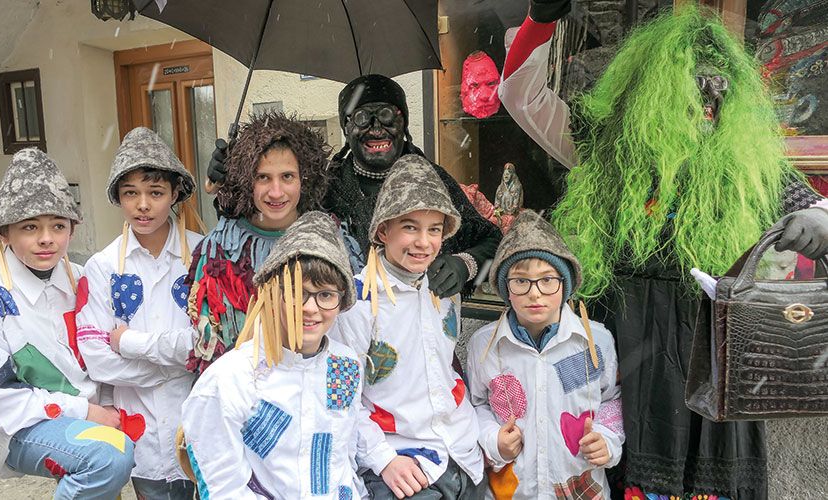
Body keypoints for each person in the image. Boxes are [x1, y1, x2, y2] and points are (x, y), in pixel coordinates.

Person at [499, 2, 828, 498]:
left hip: (713, 345)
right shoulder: (602, 147)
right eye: (696, 90)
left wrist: (819, 218)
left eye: (720, 90)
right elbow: (521, 96)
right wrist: (541, 20)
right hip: (626, 336)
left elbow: (814, 205)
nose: (709, 104)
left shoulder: (747, 163)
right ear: (657, 91)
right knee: (616, 449)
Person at [0, 148, 135, 499]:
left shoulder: (80, 279)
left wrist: (104, 405)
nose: (47, 238)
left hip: (87, 407)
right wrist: (87, 411)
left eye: (58, 226)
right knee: (108, 458)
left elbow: (100, 354)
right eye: (30, 227)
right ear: (4, 232)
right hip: (15, 423)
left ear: (72, 230)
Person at [208, 75, 502, 299]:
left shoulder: (432, 181)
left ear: (404, 123)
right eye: (361, 118)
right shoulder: (326, 185)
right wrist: (232, 178)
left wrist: (466, 265)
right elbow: (270, 220)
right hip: (346, 330)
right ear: (346, 129)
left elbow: (493, 241)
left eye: (387, 115)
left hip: (424, 325)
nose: (376, 128)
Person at [181, 211, 365, 499]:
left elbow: (344, 458)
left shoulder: (347, 365)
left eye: (326, 295)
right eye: (296, 292)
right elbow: (224, 488)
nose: (310, 308)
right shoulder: (229, 380)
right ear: (271, 293)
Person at [333, 154, 485, 500]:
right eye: (410, 227)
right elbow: (341, 398)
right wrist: (383, 459)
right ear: (383, 230)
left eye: (435, 230)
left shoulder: (444, 289)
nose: (424, 242)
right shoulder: (357, 302)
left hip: (464, 454)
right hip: (403, 462)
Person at [187, 111, 363, 374]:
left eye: (287, 176)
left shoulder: (331, 240)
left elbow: (353, 326)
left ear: (305, 179)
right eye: (263, 177)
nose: (276, 192)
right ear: (247, 180)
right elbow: (209, 340)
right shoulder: (221, 248)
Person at [77, 127, 201, 499]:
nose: (143, 205)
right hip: (141, 432)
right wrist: (177, 365)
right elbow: (98, 360)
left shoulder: (204, 257)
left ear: (175, 194)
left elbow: (211, 344)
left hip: (201, 423)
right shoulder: (102, 267)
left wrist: (131, 343)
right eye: (131, 193)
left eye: (156, 192)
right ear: (118, 196)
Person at [467, 210, 623, 499]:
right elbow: (477, 404)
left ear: (565, 284)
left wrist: (608, 440)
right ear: (505, 288)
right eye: (521, 281)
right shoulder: (484, 344)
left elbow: (612, 399)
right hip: (513, 491)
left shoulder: (595, 341)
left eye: (547, 279)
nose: (535, 293)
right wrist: (493, 440)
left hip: (579, 488)